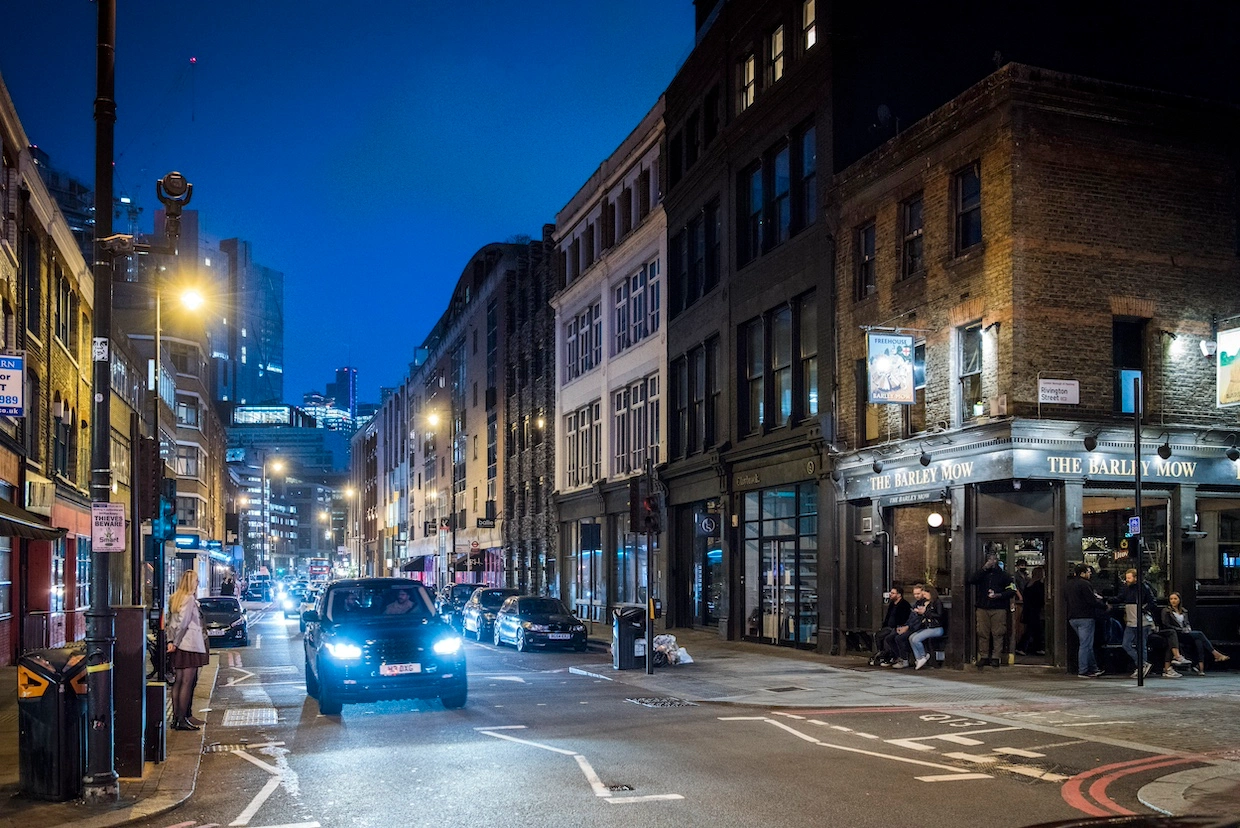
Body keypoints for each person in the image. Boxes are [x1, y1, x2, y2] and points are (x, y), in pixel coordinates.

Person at [1113, 568, 1179, 678]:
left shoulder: (1143, 587)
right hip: (1131, 620)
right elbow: (1120, 598)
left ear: (1135, 578)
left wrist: (1144, 609)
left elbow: (1152, 602)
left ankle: (1141, 666)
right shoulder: (1126, 588)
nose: (1127, 580)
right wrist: (1107, 600)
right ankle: (1142, 664)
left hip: (1142, 621)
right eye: (1126, 578)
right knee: (1126, 644)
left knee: (1141, 644)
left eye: (1129, 578)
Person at [167, 569, 210, 731]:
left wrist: (171, 641)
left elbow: (172, 624)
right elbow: (184, 623)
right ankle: (182, 720)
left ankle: (176, 718)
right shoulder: (190, 599)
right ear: (191, 582)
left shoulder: (175, 598)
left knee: (178, 682)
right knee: (187, 682)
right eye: (196, 580)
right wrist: (176, 642)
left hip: (178, 646)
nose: (198, 583)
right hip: (189, 645)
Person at [1161, 591, 1231, 676]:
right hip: (1175, 633)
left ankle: (1200, 667)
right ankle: (1215, 654)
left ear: (1179, 600)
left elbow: (1186, 623)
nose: (1173, 601)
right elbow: (1166, 624)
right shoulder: (1166, 611)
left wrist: (1187, 628)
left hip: (1185, 633)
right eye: (1171, 599)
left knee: (1198, 640)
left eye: (1175, 599)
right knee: (1199, 634)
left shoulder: (1184, 611)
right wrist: (1181, 629)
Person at [967, 552, 1015, 669]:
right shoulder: (982, 574)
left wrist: (998, 595)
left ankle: (996, 657)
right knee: (982, 633)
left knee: (998, 633)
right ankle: (983, 656)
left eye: (994, 559)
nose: (991, 561)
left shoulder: (1005, 576)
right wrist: (984, 569)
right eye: (989, 559)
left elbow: (1012, 591)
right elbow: (971, 580)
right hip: (982, 608)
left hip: (998, 608)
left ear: (997, 561)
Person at [1065, 564, 1106, 677]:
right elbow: (1091, 601)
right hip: (1085, 617)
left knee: (1087, 644)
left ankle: (1093, 668)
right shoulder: (1085, 584)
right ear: (1082, 573)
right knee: (1085, 645)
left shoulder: (1069, 585)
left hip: (1072, 618)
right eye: (1088, 572)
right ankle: (1083, 670)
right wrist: (1104, 605)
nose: (1090, 573)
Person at [870, 586, 912, 666]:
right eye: (890, 593)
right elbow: (888, 616)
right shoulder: (892, 604)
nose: (890, 594)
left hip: (897, 627)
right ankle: (881, 654)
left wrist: (898, 627)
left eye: (893, 593)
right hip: (889, 626)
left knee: (888, 638)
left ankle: (890, 656)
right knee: (878, 635)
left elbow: (904, 618)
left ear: (899, 595)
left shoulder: (904, 605)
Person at [908, 585, 946, 670]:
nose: (924, 596)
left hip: (936, 628)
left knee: (916, 639)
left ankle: (923, 655)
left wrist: (925, 612)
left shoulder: (937, 602)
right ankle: (918, 658)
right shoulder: (928, 603)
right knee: (911, 637)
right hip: (928, 627)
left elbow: (939, 615)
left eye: (925, 594)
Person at [889, 584, 926, 669]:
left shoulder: (925, 604)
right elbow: (911, 618)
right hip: (910, 626)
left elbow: (920, 621)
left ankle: (905, 659)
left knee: (900, 638)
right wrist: (905, 626)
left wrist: (908, 627)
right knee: (890, 637)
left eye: (918, 593)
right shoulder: (915, 604)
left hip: (918, 627)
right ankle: (899, 657)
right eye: (915, 594)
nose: (916, 596)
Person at [1017, 566, 1046, 655]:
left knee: (1033, 629)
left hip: (1028, 610)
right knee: (1032, 630)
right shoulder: (1040, 585)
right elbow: (1041, 599)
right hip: (1035, 610)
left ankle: (1036, 648)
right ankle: (1023, 647)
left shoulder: (1028, 584)